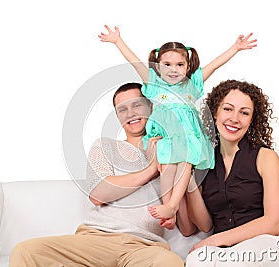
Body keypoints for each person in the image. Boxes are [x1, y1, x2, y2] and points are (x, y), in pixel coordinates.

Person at [98, 25, 258, 229]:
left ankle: (173, 206)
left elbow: (214, 65)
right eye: (167, 64)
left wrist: (235, 48)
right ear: (158, 66)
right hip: (166, 138)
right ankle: (169, 209)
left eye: (180, 64)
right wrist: (118, 41)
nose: (173, 69)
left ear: (187, 66)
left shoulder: (192, 84)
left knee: (185, 164)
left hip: (187, 137)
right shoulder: (154, 84)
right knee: (166, 167)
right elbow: (134, 62)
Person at [9, 82, 184, 267]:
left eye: (137, 105)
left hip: (143, 246)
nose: (130, 113)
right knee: (26, 251)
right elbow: (98, 194)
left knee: (169, 262)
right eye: (122, 109)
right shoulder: (105, 146)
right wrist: (150, 170)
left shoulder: (172, 151)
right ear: (117, 116)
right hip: (95, 239)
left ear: (151, 107)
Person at [178, 80, 279, 266]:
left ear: (252, 120)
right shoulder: (204, 162)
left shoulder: (265, 157)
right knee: (196, 259)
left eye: (244, 113)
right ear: (215, 113)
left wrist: (216, 240)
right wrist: (189, 181)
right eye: (228, 109)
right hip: (228, 253)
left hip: (269, 245)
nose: (235, 118)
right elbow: (205, 225)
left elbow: (274, 223)